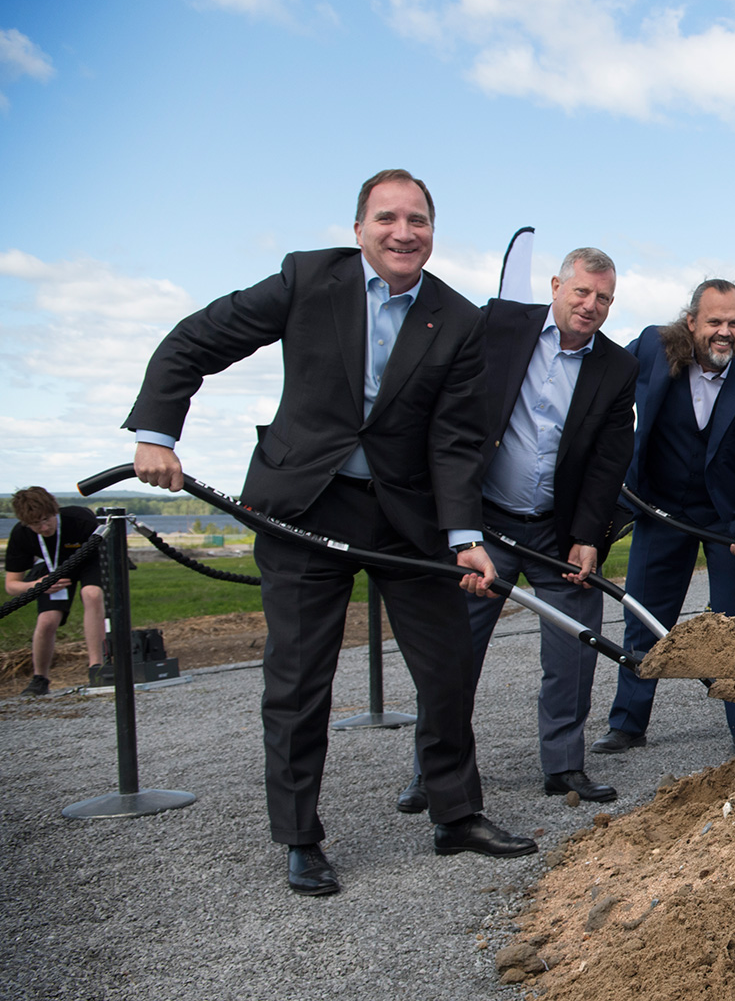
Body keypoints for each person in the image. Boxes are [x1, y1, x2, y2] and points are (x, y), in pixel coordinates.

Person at [125, 169, 535, 898]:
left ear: (433, 233)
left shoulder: (459, 319)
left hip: (408, 520)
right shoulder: (307, 279)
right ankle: (300, 838)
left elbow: (456, 439)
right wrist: (158, 432)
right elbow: (196, 340)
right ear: (359, 229)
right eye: (387, 218)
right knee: (299, 681)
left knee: (445, 672)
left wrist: (464, 534)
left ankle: (456, 814)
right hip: (302, 506)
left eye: (418, 220)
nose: (403, 232)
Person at [394, 248, 639, 814]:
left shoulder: (617, 367)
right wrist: (454, 521)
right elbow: (447, 405)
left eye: (603, 298)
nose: (591, 305)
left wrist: (589, 536)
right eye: (581, 292)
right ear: (556, 285)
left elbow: (609, 460)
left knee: (575, 649)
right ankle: (432, 772)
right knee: (453, 653)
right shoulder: (499, 324)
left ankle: (564, 765)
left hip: (558, 531)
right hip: (483, 525)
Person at [594, 280, 735, 757]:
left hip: (727, 518)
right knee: (644, 616)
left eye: (734, 323)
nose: (724, 332)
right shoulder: (652, 346)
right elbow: (601, 378)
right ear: (691, 322)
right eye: (714, 322)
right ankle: (628, 722)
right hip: (660, 508)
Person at [5, 487, 106, 695]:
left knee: (91, 594)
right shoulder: (21, 534)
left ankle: (97, 668)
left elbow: (107, 552)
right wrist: (38, 584)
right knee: (46, 620)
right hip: (52, 571)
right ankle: (40, 678)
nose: (43, 527)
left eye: (46, 519)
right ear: (25, 523)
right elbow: (11, 585)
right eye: (35, 524)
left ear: (54, 511)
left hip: (89, 561)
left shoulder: (80, 519)